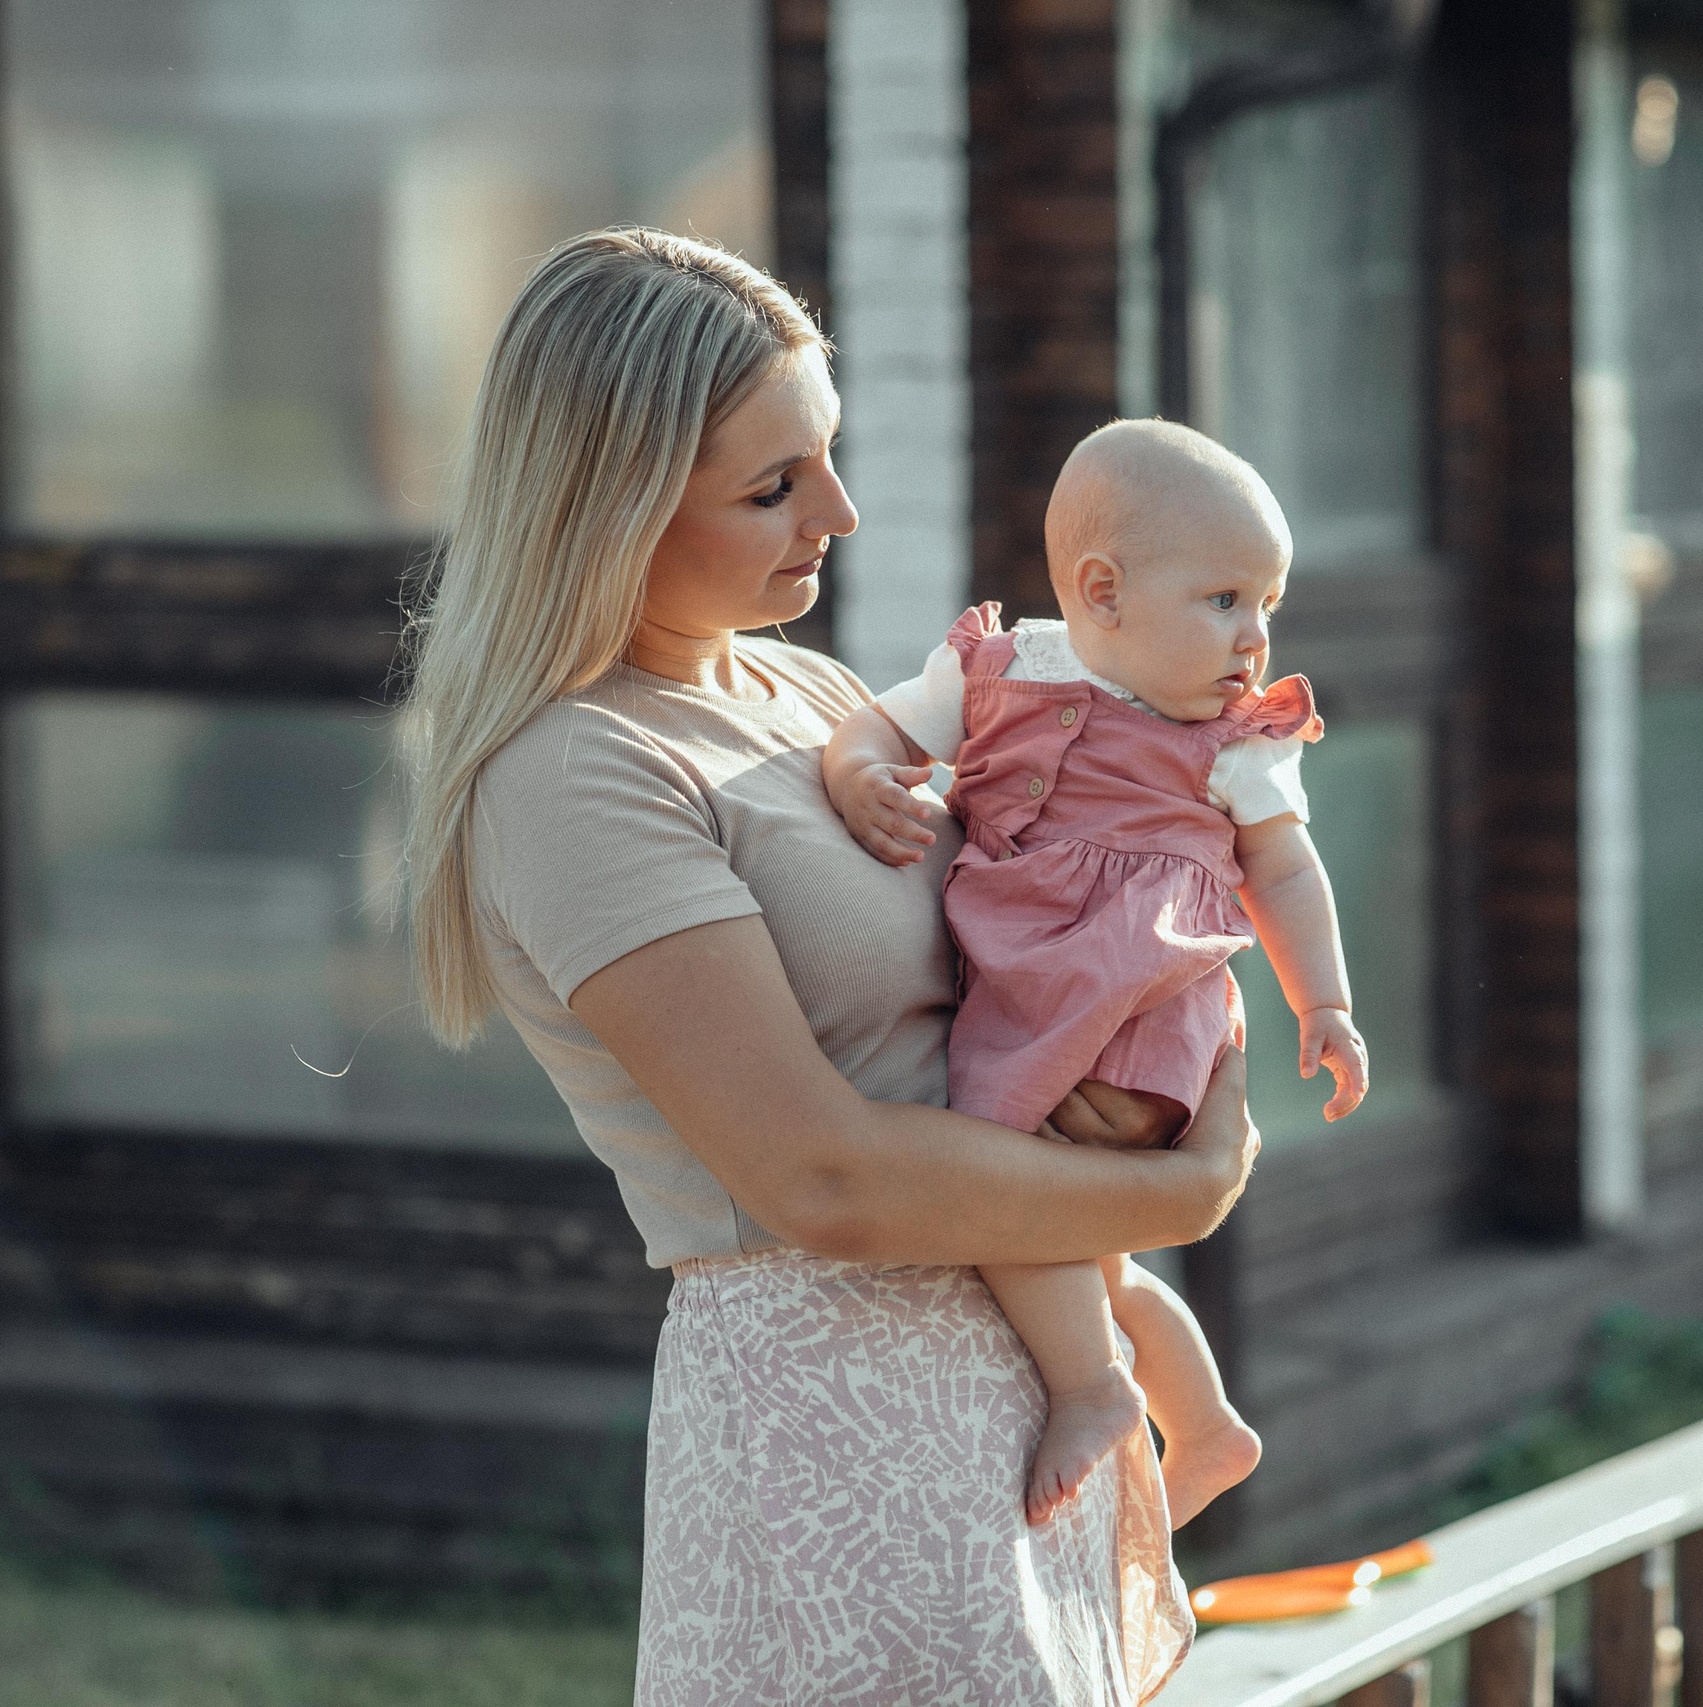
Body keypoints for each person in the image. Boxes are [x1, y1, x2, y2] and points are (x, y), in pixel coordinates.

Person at [398, 229, 1251, 1705]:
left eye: (830, 456)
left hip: (1031, 1381)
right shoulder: (574, 769)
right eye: (772, 486)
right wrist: (1180, 1194)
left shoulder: (809, 694)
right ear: (612, 501)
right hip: (839, 1416)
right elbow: (821, 1179)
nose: (839, 513)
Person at [822, 420, 1369, 1532]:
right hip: (1035, 999)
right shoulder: (999, 669)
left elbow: (1285, 869)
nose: (1255, 637)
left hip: (1138, 1009)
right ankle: (1205, 1424)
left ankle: (1092, 1389)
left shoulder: (1233, 740)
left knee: (1000, 1191)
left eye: (1267, 603)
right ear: (1103, 591)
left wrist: (1325, 1003)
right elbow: (872, 729)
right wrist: (858, 775)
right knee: (1086, 1252)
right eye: (1224, 599)